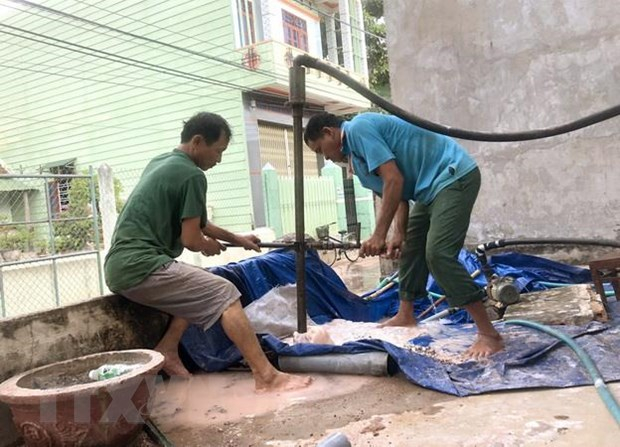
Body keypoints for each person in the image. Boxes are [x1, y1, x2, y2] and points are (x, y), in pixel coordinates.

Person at [105, 112, 311, 392]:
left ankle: (168, 348)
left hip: (122, 264)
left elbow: (199, 223)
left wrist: (237, 239)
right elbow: (191, 239)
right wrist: (207, 245)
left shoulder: (162, 162)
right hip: (140, 265)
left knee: (200, 286)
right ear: (198, 142)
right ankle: (266, 377)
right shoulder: (192, 175)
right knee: (225, 293)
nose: (219, 159)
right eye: (218, 151)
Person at [304, 112, 503, 359]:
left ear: (329, 132)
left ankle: (488, 333)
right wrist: (398, 234)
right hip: (427, 191)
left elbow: (394, 180)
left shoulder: (358, 128)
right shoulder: (359, 163)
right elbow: (397, 196)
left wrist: (378, 235)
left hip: (452, 175)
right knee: (410, 248)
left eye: (320, 149)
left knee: (438, 254)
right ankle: (406, 315)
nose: (326, 158)